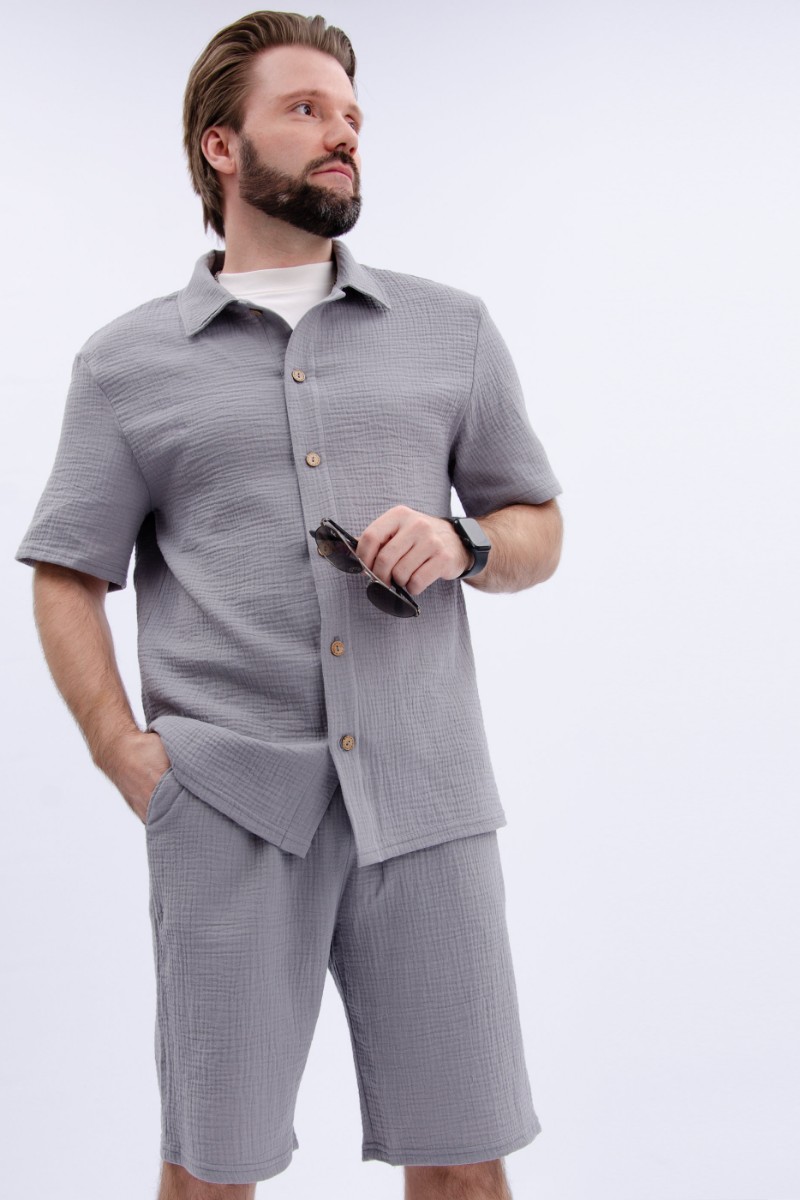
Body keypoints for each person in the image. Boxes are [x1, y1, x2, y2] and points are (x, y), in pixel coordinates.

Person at [15, 11, 564, 1199]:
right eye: (306, 110)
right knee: (212, 1170)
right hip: (228, 807)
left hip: (426, 805)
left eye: (352, 115)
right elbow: (67, 571)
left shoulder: (451, 331)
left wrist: (460, 540)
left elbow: (535, 530)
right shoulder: (124, 365)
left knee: (464, 1165)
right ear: (221, 146)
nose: (342, 135)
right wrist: (121, 752)